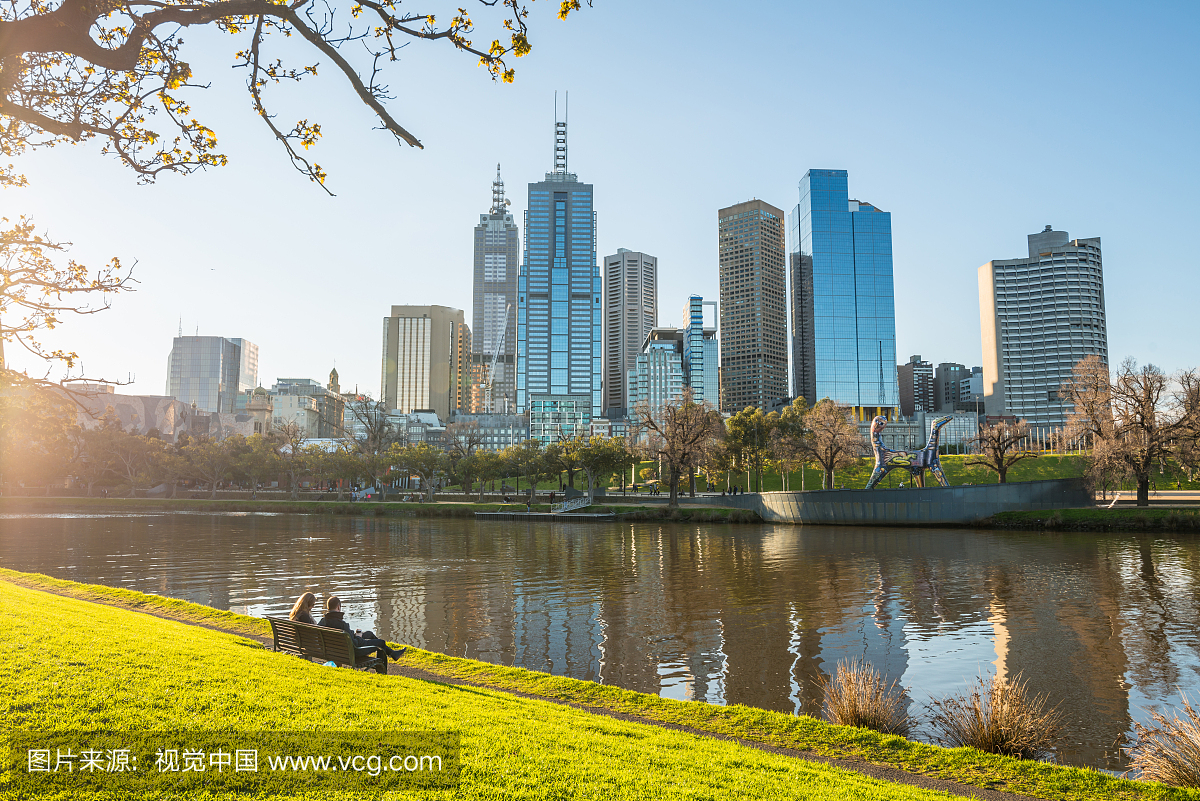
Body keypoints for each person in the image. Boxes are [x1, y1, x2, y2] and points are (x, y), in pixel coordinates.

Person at [318, 596, 406, 662]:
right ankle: (381, 670)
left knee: (369, 634)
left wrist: (355, 635)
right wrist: (359, 636)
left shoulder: (322, 622)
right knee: (381, 643)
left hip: (334, 650)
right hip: (353, 652)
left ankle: (393, 653)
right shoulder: (342, 624)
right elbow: (355, 644)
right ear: (338, 607)